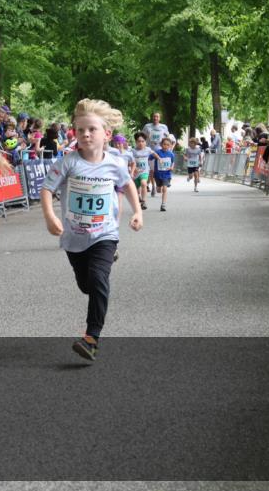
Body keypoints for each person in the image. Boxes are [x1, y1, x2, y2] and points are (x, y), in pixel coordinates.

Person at [40, 98, 143, 362]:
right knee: (86, 285)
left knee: (98, 280)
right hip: (74, 238)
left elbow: (128, 184)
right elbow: (47, 189)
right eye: (80, 129)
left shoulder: (115, 163)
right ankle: (98, 274)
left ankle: (91, 338)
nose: (85, 134)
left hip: (104, 234)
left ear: (106, 134)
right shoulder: (68, 162)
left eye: (92, 129)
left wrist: (138, 212)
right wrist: (50, 217)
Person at [141, 112, 168, 196]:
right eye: (154, 116)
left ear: (160, 118)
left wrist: (167, 148)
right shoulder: (147, 126)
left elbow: (167, 138)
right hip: (150, 150)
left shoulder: (163, 127)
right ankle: (153, 186)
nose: (155, 118)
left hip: (160, 150)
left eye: (157, 117)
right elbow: (142, 137)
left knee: (159, 170)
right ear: (152, 117)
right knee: (152, 170)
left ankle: (159, 184)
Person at [131, 132, 153, 209]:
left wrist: (159, 158)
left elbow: (154, 153)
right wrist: (134, 169)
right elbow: (129, 162)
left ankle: (143, 202)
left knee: (144, 183)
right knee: (136, 189)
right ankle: (139, 196)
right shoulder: (132, 151)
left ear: (145, 142)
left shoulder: (148, 149)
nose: (141, 143)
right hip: (136, 173)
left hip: (145, 171)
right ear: (136, 142)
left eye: (143, 141)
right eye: (139, 141)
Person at [153, 137, 176, 211]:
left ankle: (163, 204)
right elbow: (150, 157)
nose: (166, 146)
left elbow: (173, 162)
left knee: (165, 188)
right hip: (158, 174)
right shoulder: (157, 152)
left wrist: (171, 167)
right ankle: (157, 186)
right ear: (161, 144)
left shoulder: (171, 154)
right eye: (164, 144)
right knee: (159, 190)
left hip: (166, 174)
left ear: (170, 146)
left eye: (168, 145)